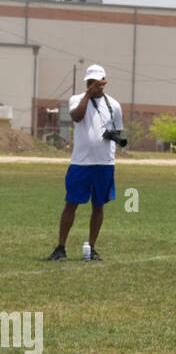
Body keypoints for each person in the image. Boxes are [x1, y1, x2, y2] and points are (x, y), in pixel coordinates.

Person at [46, 64, 124, 262]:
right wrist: (88, 94)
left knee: (98, 206)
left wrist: (111, 135)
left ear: (104, 82)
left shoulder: (113, 105)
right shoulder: (77, 100)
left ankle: (92, 248)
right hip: (80, 163)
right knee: (71, 203)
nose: (94, 85)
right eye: (90, 82)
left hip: (104, 163)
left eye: (97, 82)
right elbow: (77, 116)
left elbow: (119, 131)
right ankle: (60, 248)